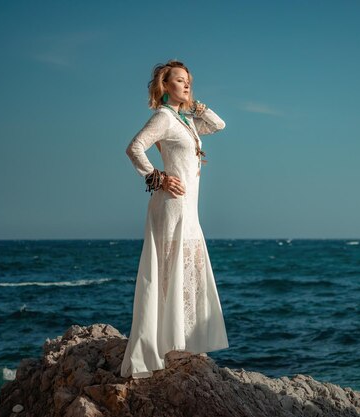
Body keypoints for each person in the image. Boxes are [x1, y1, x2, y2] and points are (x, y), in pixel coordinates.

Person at [121, 60, 229, 379]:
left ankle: (181, 345)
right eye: (179, 81)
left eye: (188, 82)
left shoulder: (186, 120)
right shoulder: (164, 118)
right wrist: (157, 177)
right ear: (165, 85)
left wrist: (194, 105)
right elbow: (134, 148)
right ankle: (163, 347)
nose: (186, 85)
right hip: (170, 207)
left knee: (186, 274)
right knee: (168, 274)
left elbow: (219, 124)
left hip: (189, 211)